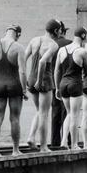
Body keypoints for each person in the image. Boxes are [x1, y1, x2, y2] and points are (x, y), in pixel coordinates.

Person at [0, 24, 27, 156]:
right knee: (15, 118)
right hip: (14, 85)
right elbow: (22, 72)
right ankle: (15, 150)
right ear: (18, 34)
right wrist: (24, 90)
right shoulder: (19, 48)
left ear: (6, 32)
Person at [24, 19, 61, 152]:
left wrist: (26, 80)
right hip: (44, 79)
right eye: (60, 30)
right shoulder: (53, 45)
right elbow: (42, 62)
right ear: (56, 31)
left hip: (31, 78)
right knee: (45, 113)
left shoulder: (34, 40)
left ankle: (31, 137)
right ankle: (44, 146)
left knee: (39, 111)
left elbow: (23, 58)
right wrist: (39, 81)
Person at [55, 27, 87, 149]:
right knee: (75, 115)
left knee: (69, 114)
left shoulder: (61, 50)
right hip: (75, 84)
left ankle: (64, 141)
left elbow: (57, 71)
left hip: (63, 84)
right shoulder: (82, 51)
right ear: (83, 36)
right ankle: (74, 144)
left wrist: (57, 88)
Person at [50, 21, 72, 147]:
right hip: (67, 82)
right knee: (68, 112)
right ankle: (67, 140)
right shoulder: (70, 44)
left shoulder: (52, 44)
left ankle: (54, 142)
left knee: (55, 113)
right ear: (63, 31)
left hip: (54, 83)